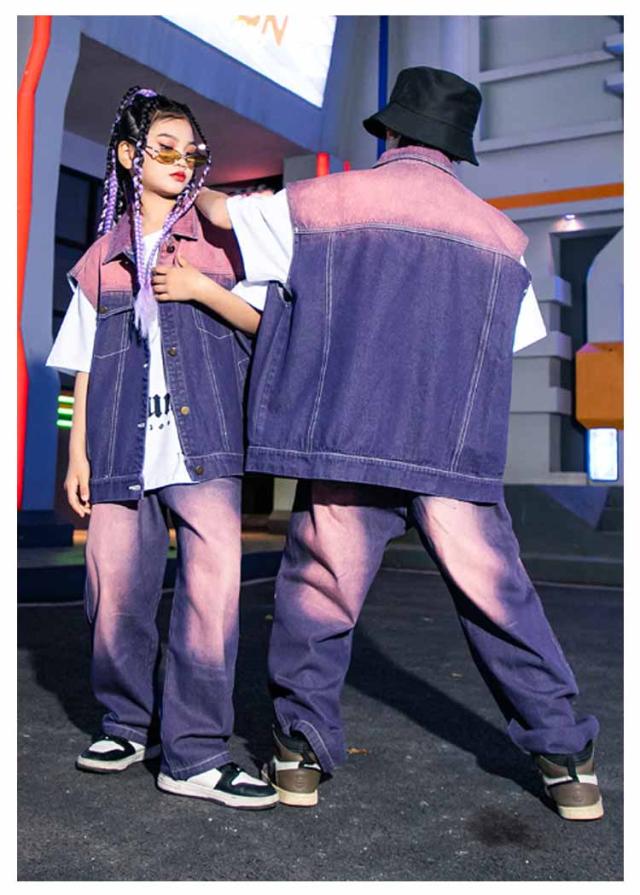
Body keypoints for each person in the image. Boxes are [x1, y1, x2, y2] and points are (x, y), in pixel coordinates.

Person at [195, 66, 603, 821]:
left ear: (388, 130)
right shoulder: (503, 240)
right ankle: (567, 761)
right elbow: (511, 344)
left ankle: (299, 753)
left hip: (348, 436)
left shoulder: (318, 203)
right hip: (450, 449)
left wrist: (192, 174)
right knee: (499, 598)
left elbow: (223, 216)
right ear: (456, 146)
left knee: (321, 591)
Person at [46, 86, 277, 810]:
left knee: (211, 600)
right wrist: (78, 454)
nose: (182, 161)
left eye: (192, 151)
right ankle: (125, 723)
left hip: (204, 443)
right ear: (128, 155)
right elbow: (84, 365)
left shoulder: (221, 246)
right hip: (120, 444)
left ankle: (197, 752)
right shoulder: (101, 259)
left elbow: (267, 324)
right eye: (165, 148)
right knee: (113, 595)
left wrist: (201, 290)